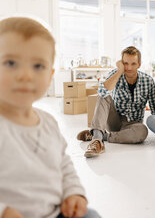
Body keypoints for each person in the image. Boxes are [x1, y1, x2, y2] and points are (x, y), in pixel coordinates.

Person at [0, 17, 100, 218]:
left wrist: (74, 193)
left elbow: (63, 164)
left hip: (57, 212)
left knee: (91, 215)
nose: (25, 75)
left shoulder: (49, 122)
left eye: (38, 66)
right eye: (11, 63)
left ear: (50, 75)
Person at [77, 46, 155, 158]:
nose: (129, 67)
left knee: (143, 132)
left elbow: (154, 109)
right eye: (125, 63)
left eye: (133, 64)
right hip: (114, 121)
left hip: (133, 125)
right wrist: (119, 71)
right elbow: (102, 92)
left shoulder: (148, 81)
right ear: (121, 63)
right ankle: (97, 142)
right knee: (104, 96)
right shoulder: (116, 73)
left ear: (139, 64)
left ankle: (100, 135)